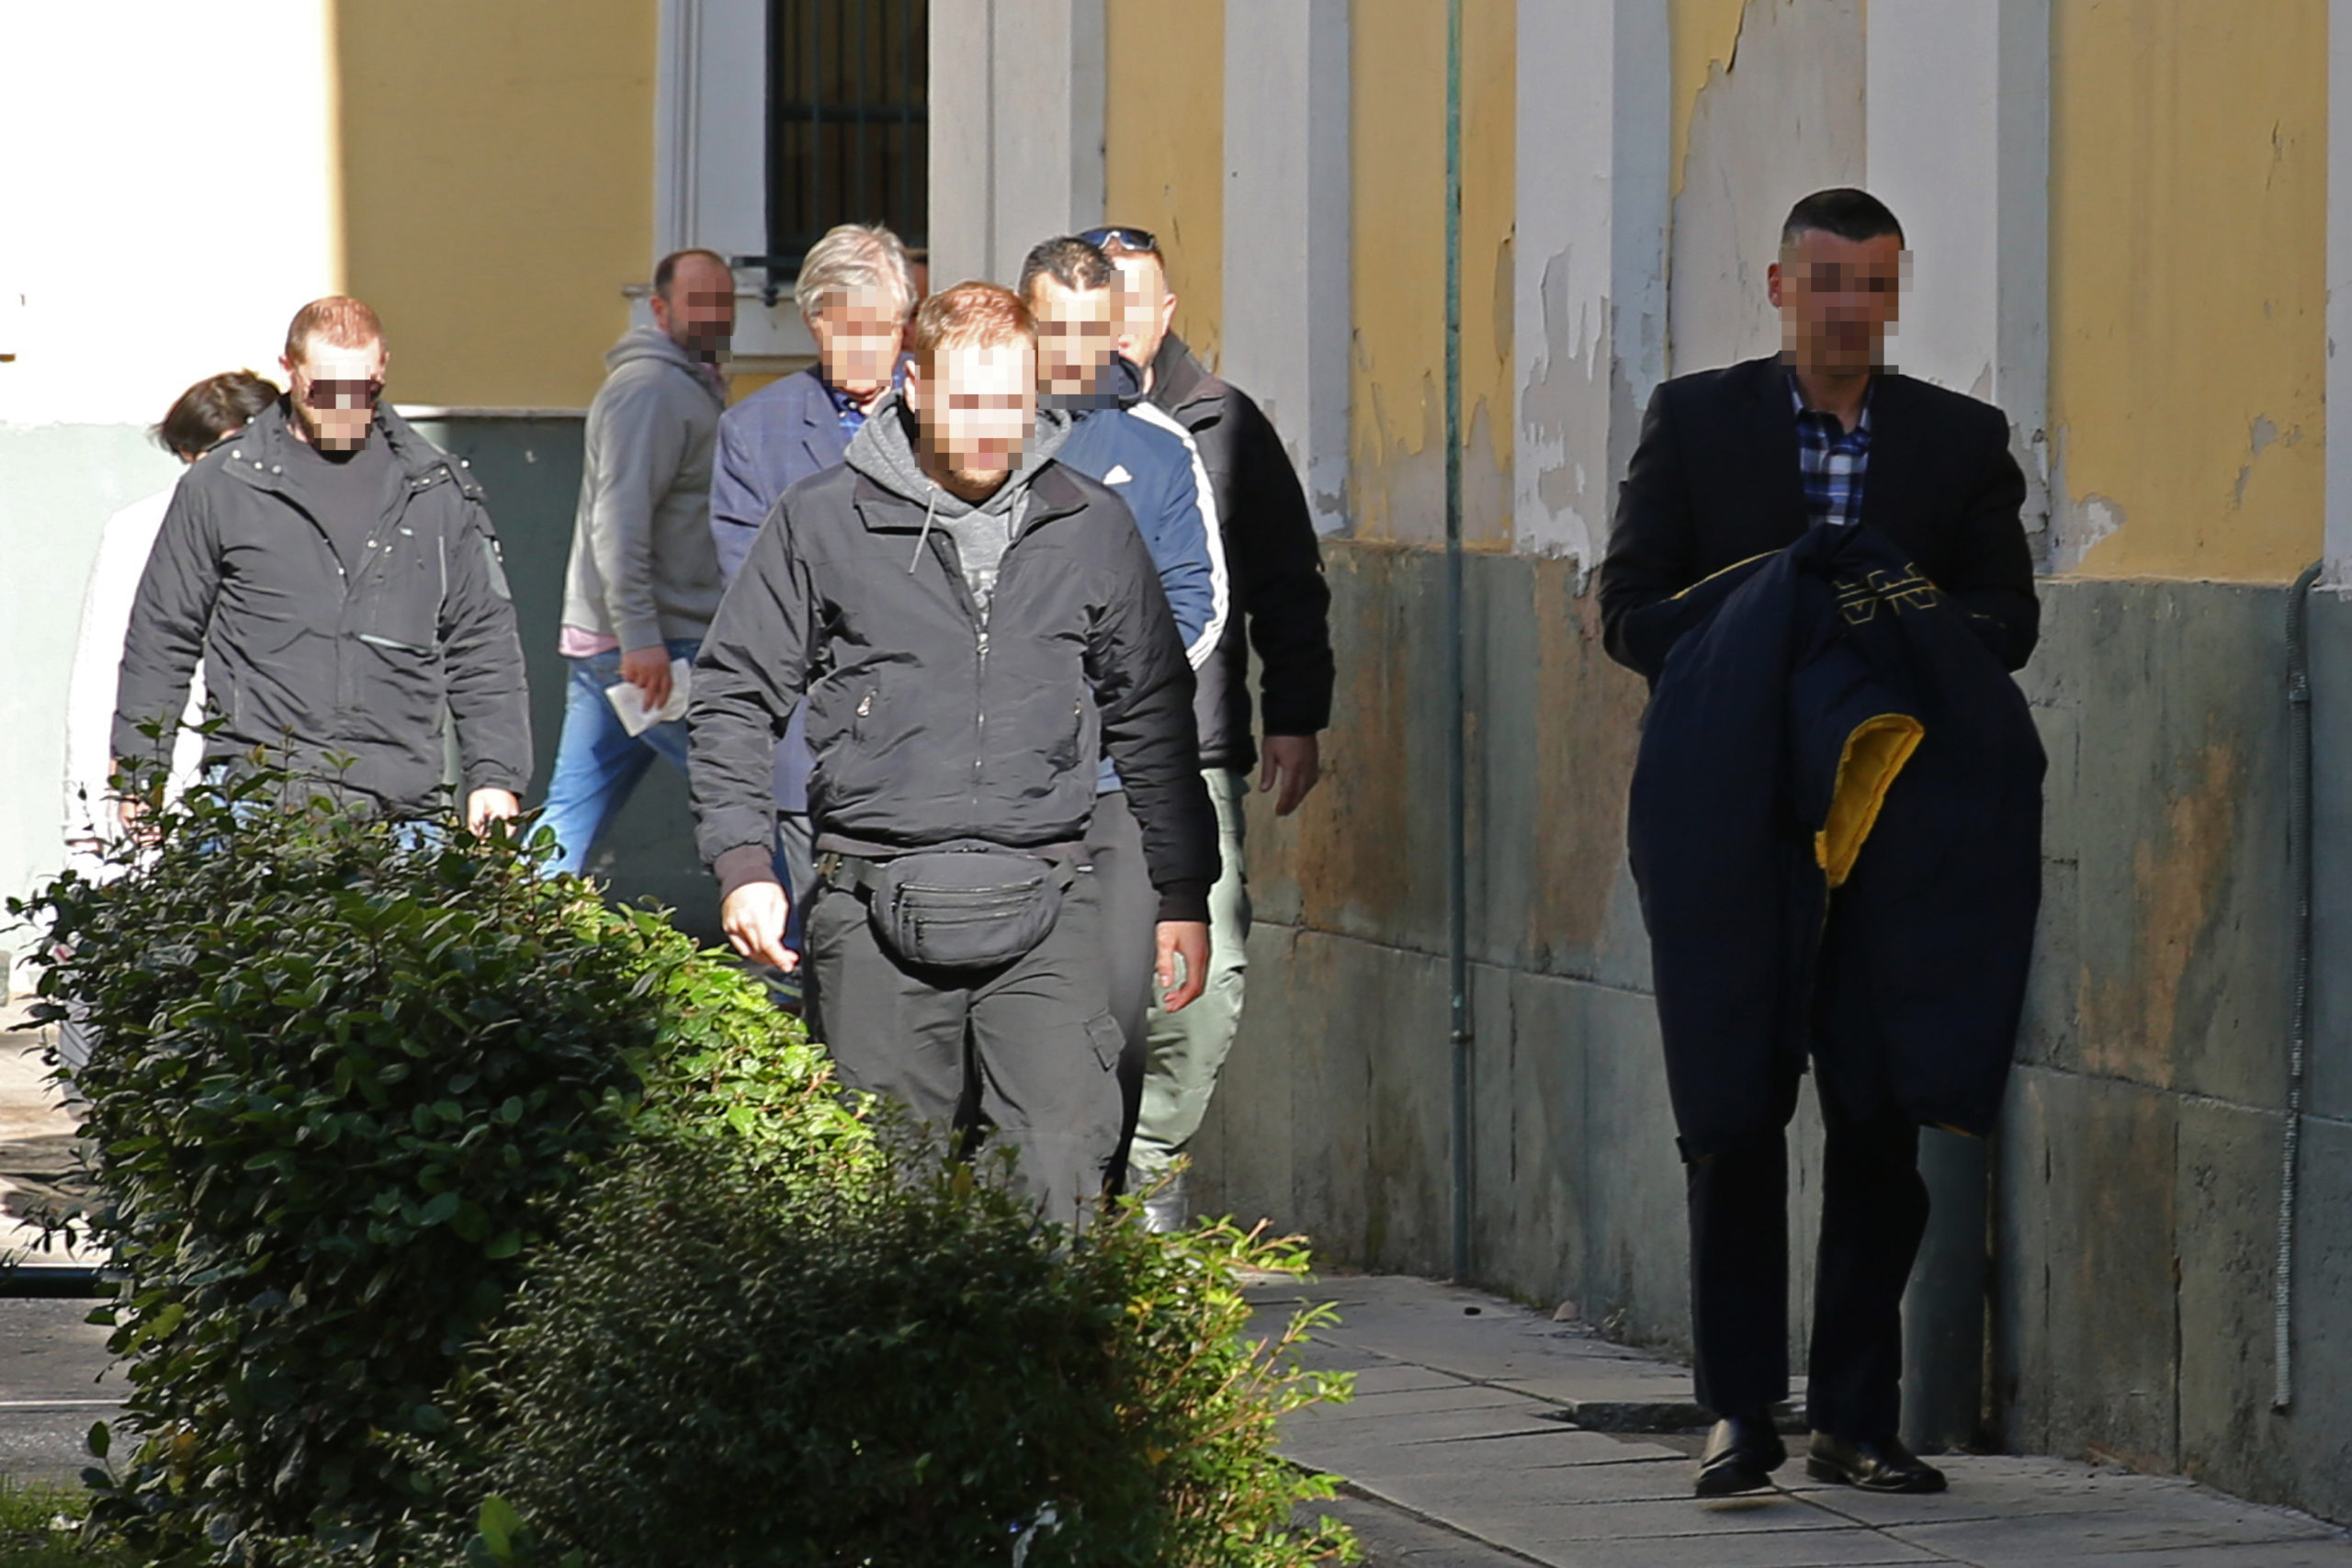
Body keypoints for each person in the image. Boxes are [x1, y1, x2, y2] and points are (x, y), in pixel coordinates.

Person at [1598, 188, 2042, 1499]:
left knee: (1879, 1115)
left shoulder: (1958, 440)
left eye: (1874, 284)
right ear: (1781, 286)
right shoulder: (1695, 422)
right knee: (1731, 1113)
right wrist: (1776, 610)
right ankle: (1739, 1411)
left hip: (1897, 823)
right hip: (1729, 813)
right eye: (1828, 280)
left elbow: (2007, 623)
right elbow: (1629, 613)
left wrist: (1878, 621)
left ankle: (1856, 1416)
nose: (1850, 307)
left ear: (1896, 293)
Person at [688, 281, 1216, 1225]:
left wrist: (1182, 890)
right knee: (885, 1199)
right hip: (871, 894)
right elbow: (734, 691)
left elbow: (1152, 712)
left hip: (1047, 891)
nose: (987, 426)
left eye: (1009, 401)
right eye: (966, 400)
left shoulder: (1090, 522)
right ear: (915, 387)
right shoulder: (823, 519)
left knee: (1060, 1175)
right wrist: (743, 863)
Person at [1092, 227, 1336, 1228]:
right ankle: (1076, 1181)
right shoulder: (1037, 421)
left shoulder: (1222, 421)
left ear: (1166, 312)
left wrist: (1297, 714)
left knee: (1206, 976)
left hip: (1192, 748)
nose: (1117, 323)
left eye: (1134, 302)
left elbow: (1286, 579)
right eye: (1099, 305)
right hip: (1068, 757)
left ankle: (1148, 1174)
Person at [114, 297, 530, 833]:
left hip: (403, 808)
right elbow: (162, 635)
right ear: (289, 370)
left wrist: (495, 776)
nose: (345, 408)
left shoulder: (435, 488)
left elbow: (482, 641)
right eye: (326, 391)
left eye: (363, 391)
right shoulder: (224, 485)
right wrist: (138, 771)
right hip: (258, 800)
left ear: (383, 371)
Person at [1017, 234, 1225, 1177]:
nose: (1068, 350)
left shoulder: (1156, 447)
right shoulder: (974, 437)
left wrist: (1096, 689)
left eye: (1086, 329)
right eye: (1050, 328)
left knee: (1111, 1025)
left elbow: (1197, 604)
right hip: (994, 796)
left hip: (1114, 787)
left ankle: (1096, 1217)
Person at [709, 223, 920, 939]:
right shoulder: (754, 432)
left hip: (936, 747)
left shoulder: (949, 413)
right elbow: (758, 601)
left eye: (882, 328)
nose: (865, 347)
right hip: (816, 750)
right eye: (846, 328)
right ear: (813, 321)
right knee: (821, 955)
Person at [538, 249, 736, 874]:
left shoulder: (687, 383)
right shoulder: (650, 390)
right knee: (748, 795)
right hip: (653, 650)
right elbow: (619, 522)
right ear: (659, 308)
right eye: (698, 301)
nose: (715, 315)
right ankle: (790, 932)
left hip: (626, 647)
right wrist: (641, 637)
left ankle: (508, 923)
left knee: (568, 817)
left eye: (724, 301)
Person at [65, 370, 277, 879]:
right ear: (188, 454)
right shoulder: (138, 531)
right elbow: (101, 669)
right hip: (169, 790)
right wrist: (88, 819)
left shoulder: (298, 528)